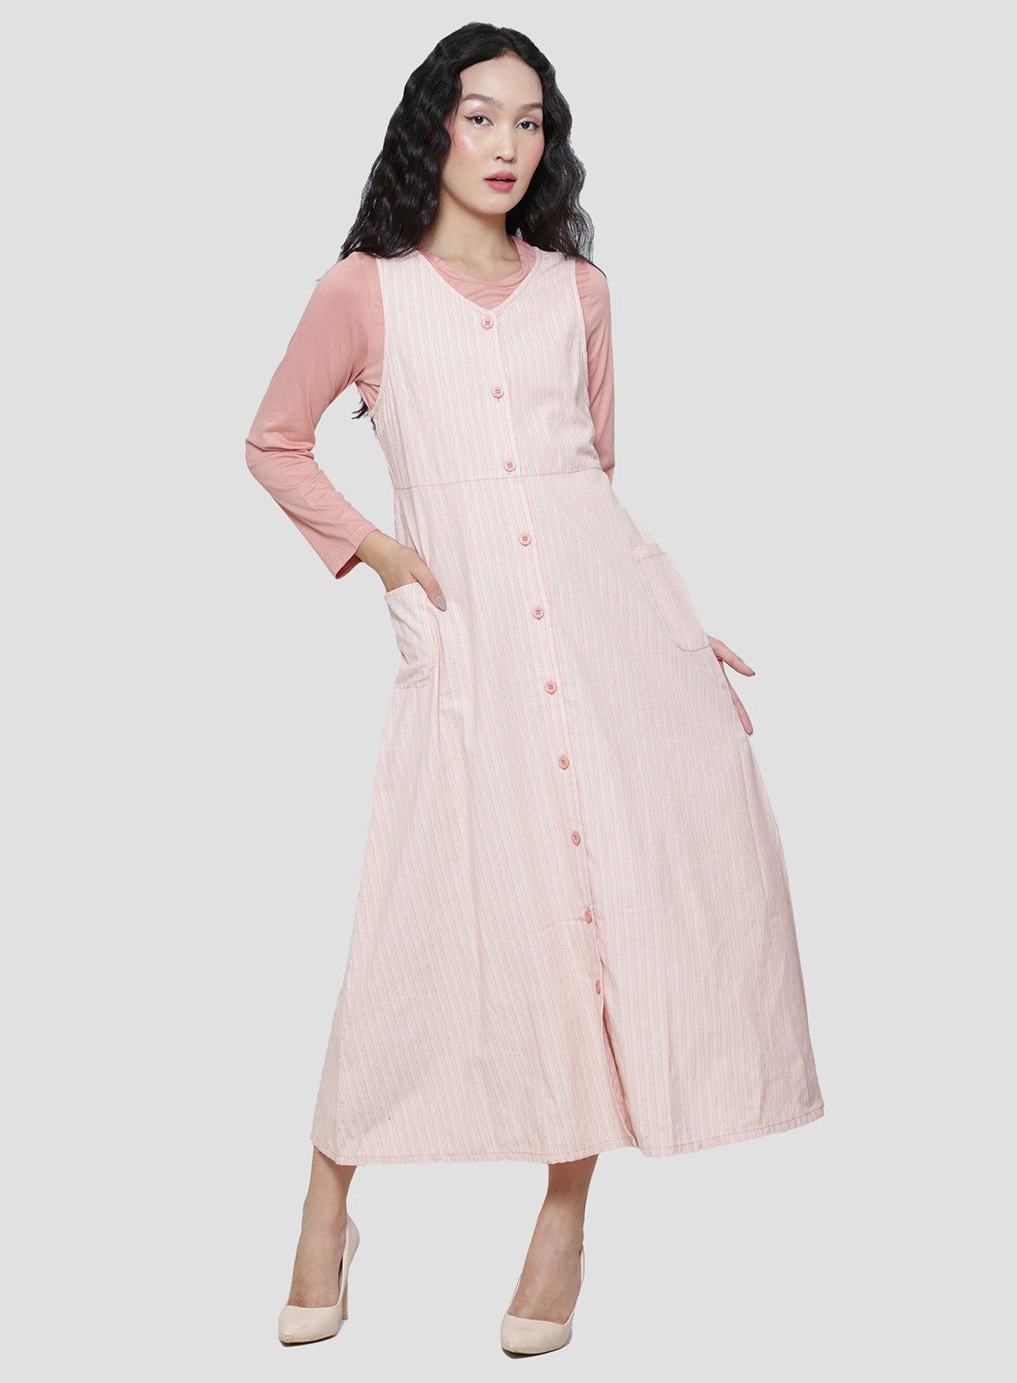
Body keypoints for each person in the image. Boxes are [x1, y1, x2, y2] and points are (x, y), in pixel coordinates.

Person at [244, 21, 824, 1356]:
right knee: (414, 925)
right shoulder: (365, 291)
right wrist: (385, 554)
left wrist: (674, 630)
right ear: (432, 128)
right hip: (470, 649)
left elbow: (590, 483)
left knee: (604, 931)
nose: (507, 145)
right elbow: (275, 442)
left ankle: (564, 1220)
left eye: (530, 121)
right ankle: (328, 1202)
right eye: (480, 116)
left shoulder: (582, 292)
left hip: (616, 645)